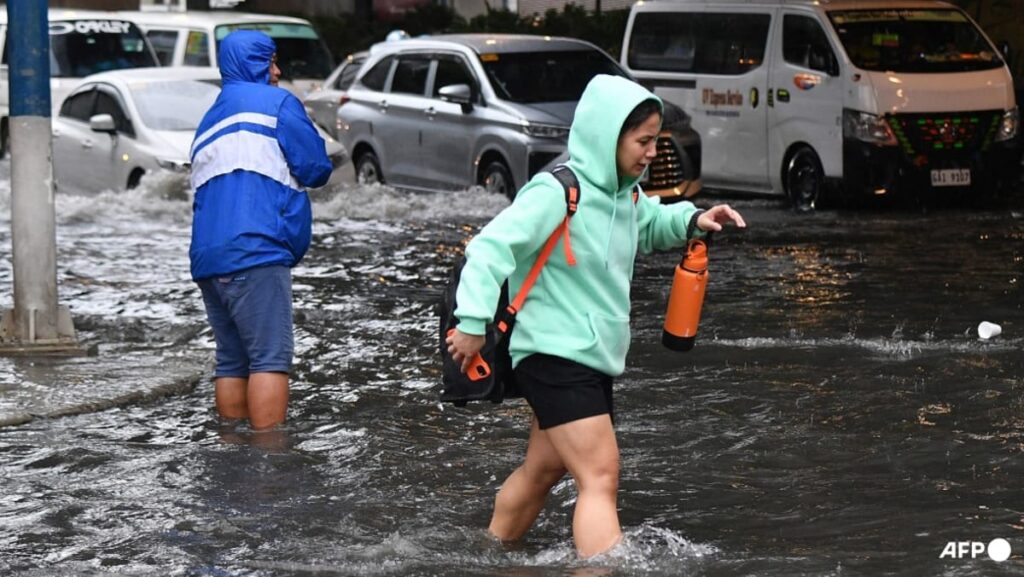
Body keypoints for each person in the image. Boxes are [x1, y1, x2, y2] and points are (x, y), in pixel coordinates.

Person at [445, 74, 746, 558]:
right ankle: (599, 569)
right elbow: (489, 250)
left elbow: (648, 224)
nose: (651, 153)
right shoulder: (556, 190)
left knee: (544, 470)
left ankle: (488, 552)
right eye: (642, 141)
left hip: (590, 355)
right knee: (600, 475)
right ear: (608, 136)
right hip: (554, 353)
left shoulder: (623, 194)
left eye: (655, 140)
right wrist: (472, 324)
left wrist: (695, 219)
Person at [189, 30, 332, 431]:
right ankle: (269, 460)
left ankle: (232, 452)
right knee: (270, 358)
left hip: (207, 260)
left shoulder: (208, 118)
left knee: (231, 360)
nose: (277, 70)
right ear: (254, 63)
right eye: (270, 61)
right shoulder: (278, 104)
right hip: (257, 250)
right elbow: (316, 168)